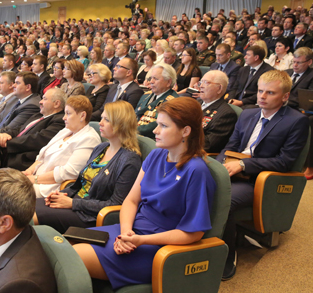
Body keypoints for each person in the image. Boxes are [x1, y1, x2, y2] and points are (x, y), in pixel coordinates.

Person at [74, 97, 216, 290]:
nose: (155, 131)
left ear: (186, 131)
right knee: (64, 243)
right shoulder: (156, 155)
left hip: (159, 247)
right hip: (130, 233)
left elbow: (192, 233)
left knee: (73, 258)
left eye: (163, 126)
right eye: (157, 124)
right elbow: (131, 201)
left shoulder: (196, 171)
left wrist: (140, 240)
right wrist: (126, 232)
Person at [217, 70, 309, 280]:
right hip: (233, 169)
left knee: (223, 200)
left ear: (285, 96)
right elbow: (229, 146)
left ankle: (228, 254)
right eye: (260, 91)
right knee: (197, 183)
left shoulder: (296, 121)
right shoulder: (248, 114)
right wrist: (220, 165)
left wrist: (243, 164)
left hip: (258, 180)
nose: (262, 97)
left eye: (270, 93)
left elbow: (285, 161)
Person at [34, 100, 142, 234]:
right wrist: (61, 194)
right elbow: (80, 184)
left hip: (88, 216)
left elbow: (115, 204)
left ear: (121, 124)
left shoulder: (130, 160)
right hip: (75, 203)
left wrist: (72, 203)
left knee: (30, 216)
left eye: (106, 120)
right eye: (102, 118)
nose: (100, 123)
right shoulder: (101, 148)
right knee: (25, 206)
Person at [23, 95, 101, 198]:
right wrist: (28, 172)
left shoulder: (89, 139)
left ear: (82, 116)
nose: (64, 117)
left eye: (68, 113)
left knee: (6, 191)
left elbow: (69, 172)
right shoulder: (65, 131)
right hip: (35, 179)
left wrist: (35, 179)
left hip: (51, 188)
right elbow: (42, 155)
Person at [0, 88, 66, 170]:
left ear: (56, 104)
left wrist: (8, 143)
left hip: (22, 160)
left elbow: (38, 139)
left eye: (44, 99)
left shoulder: (60, 120)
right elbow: (20, 129)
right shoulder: (38, 115)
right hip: (11, 151)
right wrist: (5, 135)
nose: (40, 102)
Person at [198, 70, 238, 153]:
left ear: (219, 88)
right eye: (201, 82)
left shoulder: (226, 114)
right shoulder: (195, 103)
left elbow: (208, 145)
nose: (201, 86)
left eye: (206, 82)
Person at [136, 65, 178, 139]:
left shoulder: (172, 102)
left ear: (168, 82)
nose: (151, 82)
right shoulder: (145, 96)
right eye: (151, 78)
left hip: (153, 140)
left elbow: (155, 126)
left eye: (155, 79)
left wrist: (130, 130)